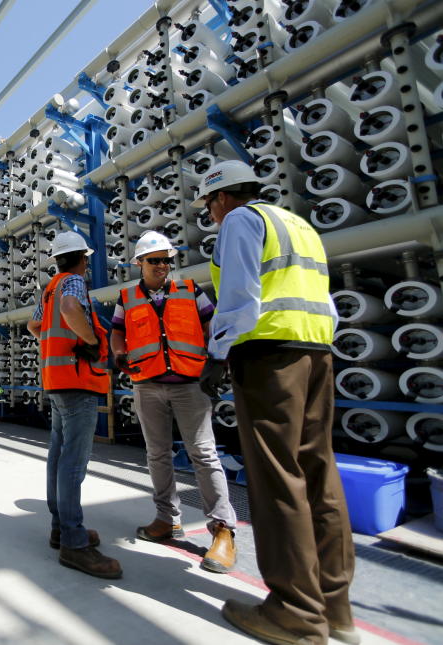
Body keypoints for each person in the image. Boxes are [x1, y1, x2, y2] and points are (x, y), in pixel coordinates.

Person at [194, 160, 357, 645]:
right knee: (318, 475)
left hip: (268, 358)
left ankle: (294, 613)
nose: (213, 215)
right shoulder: (299, 225)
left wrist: (217, 354)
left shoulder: (242, 221)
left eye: (210, 207)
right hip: (317, 354)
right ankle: (335, 609)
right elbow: (326, 303)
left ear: (221, 198)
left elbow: (241, 298)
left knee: (277, 479)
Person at [110, 230, 237, 574]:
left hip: (189, 385)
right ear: (139, 263)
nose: (163, 266)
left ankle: (223, 530)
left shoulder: (190, 290)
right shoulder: (127, 297)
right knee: (157, 454)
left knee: (203, 454)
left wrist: (219, 360)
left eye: (167, 259)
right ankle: (167, 519)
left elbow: (213, 323)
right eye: (155, 261)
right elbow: (118, 330)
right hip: (147, 384)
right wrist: (119, 352)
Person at [27, 230, 121, 580]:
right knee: (73, 463)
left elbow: (34, 325)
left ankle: (60, 528)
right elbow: (70, 309)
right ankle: (74, 542)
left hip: (55, 381)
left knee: (58, 456)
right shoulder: (73, 284)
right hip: (78, 381)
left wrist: (59, 345)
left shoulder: (49, 287)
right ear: (84, 258)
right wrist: (91, 338)